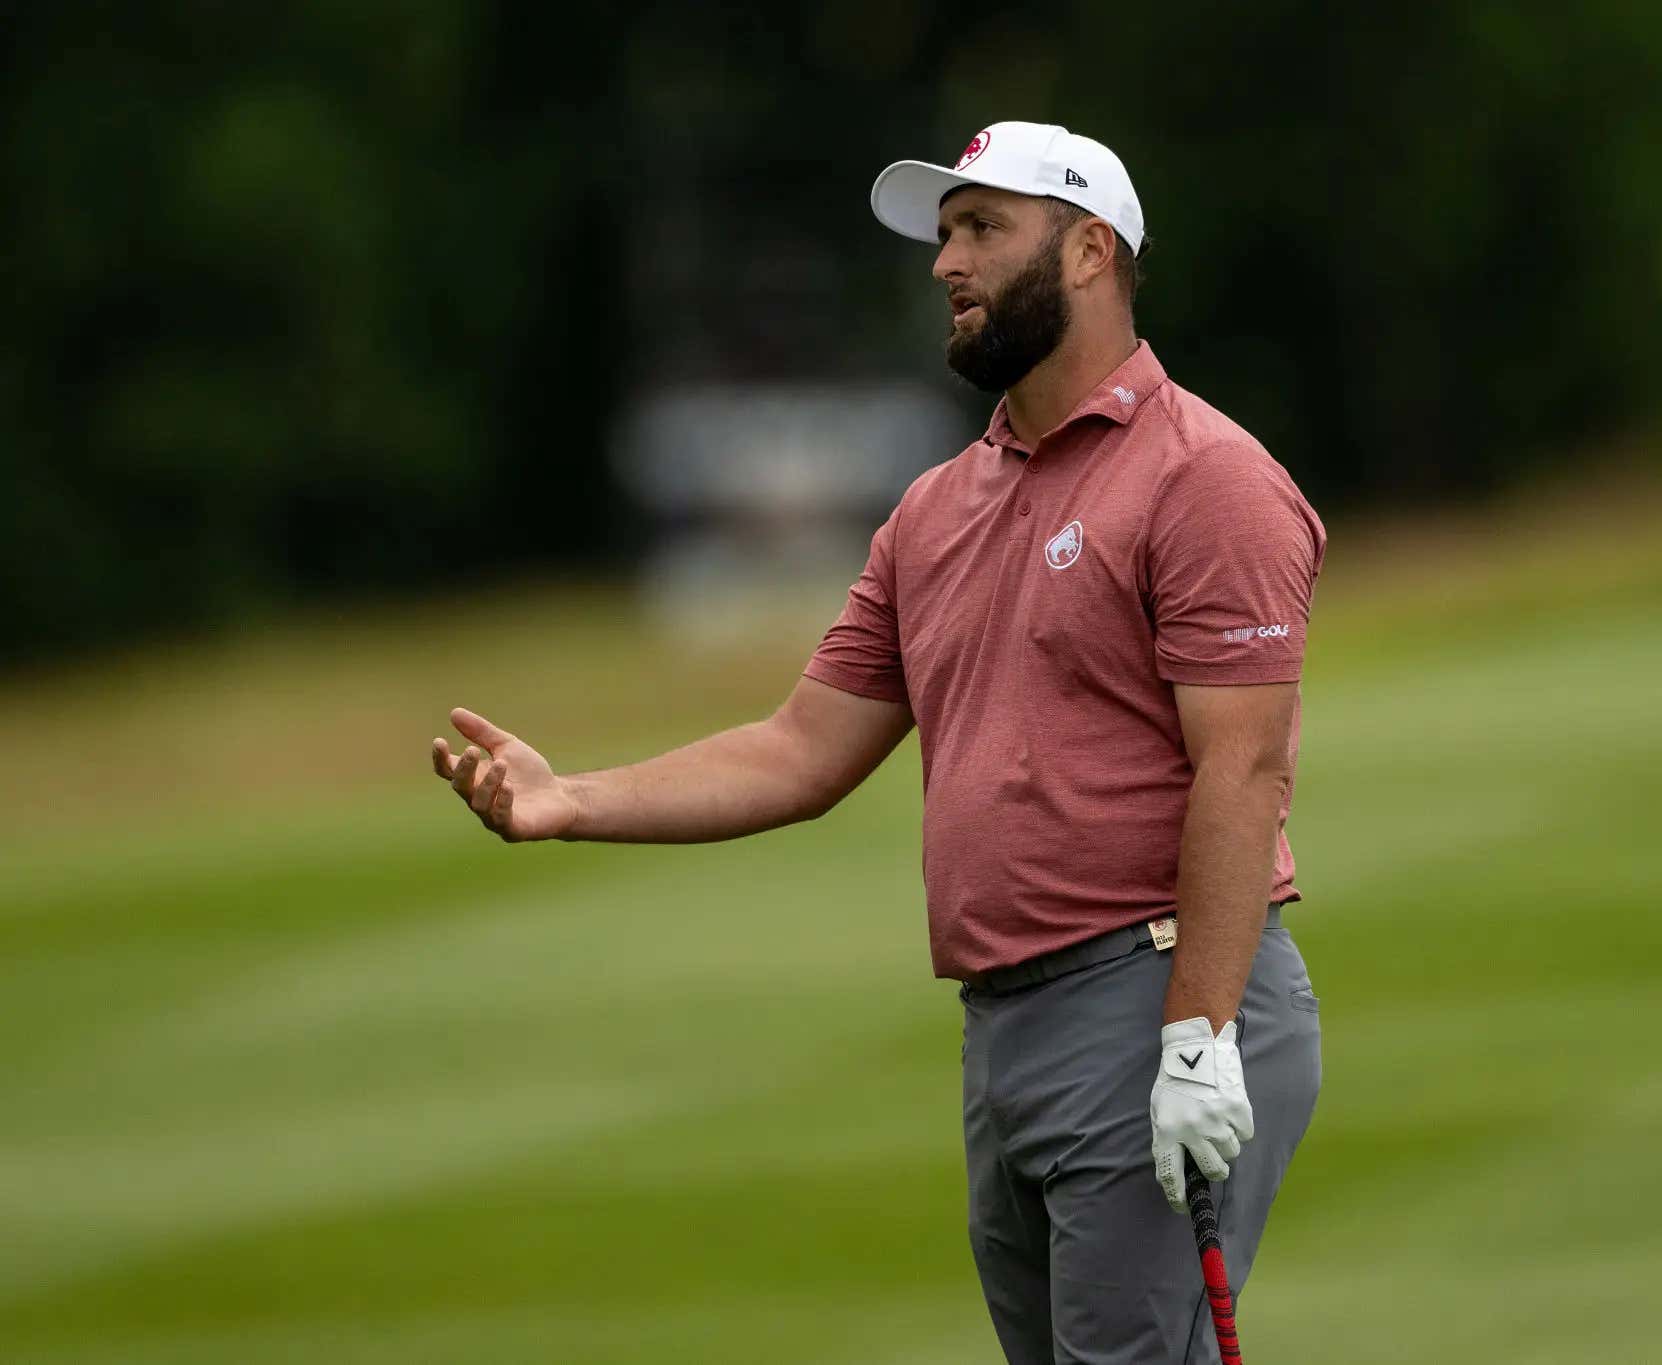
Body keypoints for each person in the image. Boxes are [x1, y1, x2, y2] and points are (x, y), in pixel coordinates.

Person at [431, 120, 1326, 1364]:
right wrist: (567, 798)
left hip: (1153, 1002)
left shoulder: (1205, 478)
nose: (943, 264)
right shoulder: (935, 510)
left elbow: (1242, 766)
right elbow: (800, 750)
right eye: (943, 234)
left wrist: (1198, 1036)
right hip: (1004, 1029)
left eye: (979, 229)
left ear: (1085, 252)